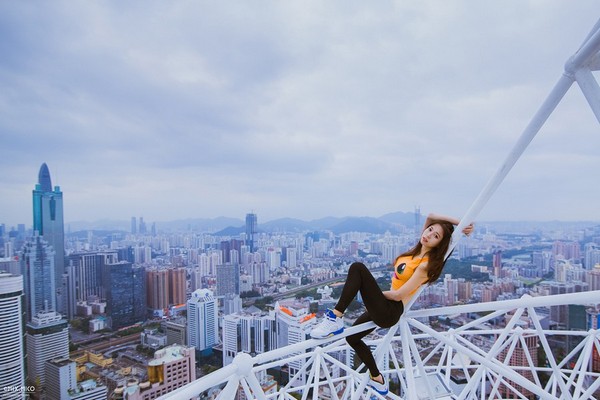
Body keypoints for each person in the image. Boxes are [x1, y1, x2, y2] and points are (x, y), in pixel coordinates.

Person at [310, 213, 474, 395]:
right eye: (429, 230)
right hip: (385, 306)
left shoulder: (425, 265)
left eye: (436, 236)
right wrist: (460, 223)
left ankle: (335, 317)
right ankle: (378, 379)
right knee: (353, 338)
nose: (428, 235)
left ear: (440, 244)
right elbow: (430, 216)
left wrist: (371, 293)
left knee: (357, 268)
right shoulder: (417, 250)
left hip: (391, 310)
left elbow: (398, 295)